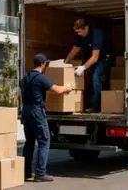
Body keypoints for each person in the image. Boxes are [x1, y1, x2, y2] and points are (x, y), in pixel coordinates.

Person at [19, 54, 72, 182]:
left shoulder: (25, 78)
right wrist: (68, 87)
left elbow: (20, 96)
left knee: (29, 142)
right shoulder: (41, 78)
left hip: (25, 110)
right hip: (37, 111)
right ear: (43, 64)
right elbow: (57, 90)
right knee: (44, 141)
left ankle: (26, 172)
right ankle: (40, 173)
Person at [64, 18, 113, 112]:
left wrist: (82, 67)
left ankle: (95, 107)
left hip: (104, 58)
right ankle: (80, 105)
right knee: (84, 78)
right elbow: (74, 50)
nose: (78, 34)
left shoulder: (96, 34)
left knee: (96, 77)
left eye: (80, 31)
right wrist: (66, 62)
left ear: (86, 28)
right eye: (77, 32)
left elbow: (95, 57)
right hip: (91, 58)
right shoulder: (80, 36)